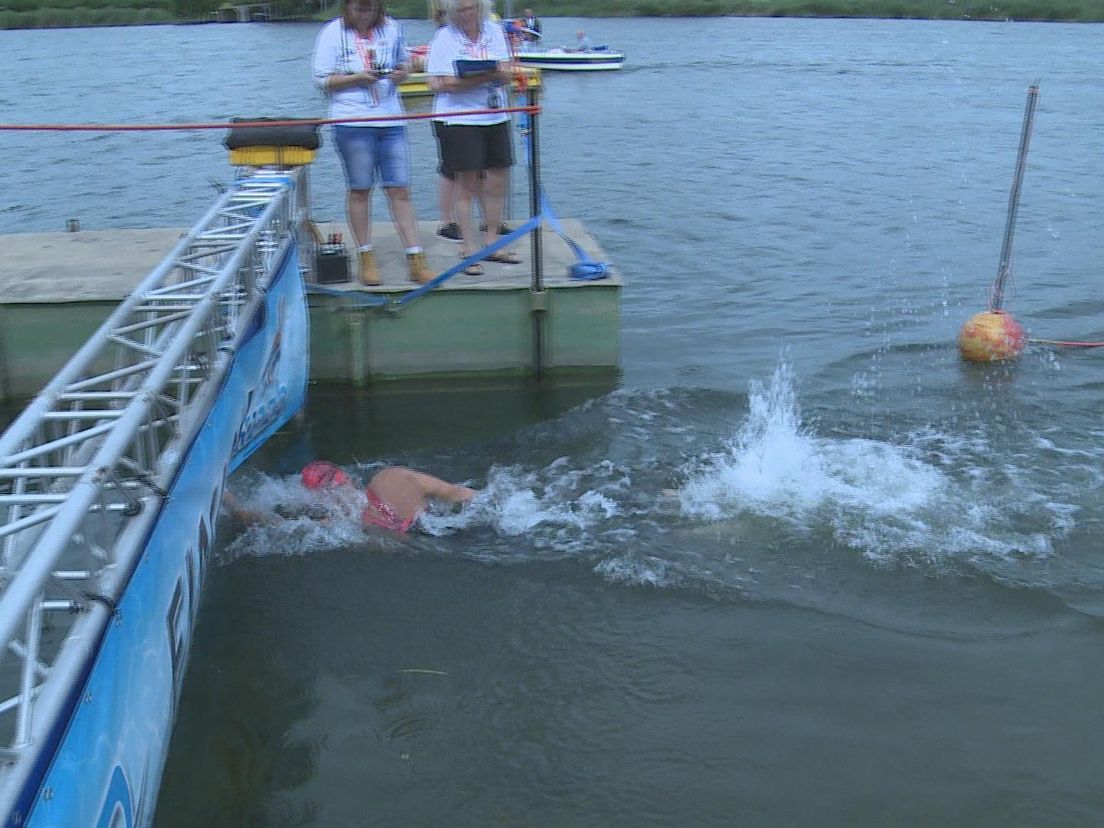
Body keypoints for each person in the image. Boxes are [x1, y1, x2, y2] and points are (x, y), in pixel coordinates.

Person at [312, 0, 434, 287]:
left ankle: (415, 257)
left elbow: (405, 63)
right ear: (348, 7)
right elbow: (320, 80)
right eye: (359, 6)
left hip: (391, 120)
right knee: (360, 190)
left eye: (370, 6)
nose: (364, 11)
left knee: (400, 189)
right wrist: (357, 78)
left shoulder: (392, 29)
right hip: (352, 121)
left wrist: (401, 73)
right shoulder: (332, 32)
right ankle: (365, 256)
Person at [426, 0, 521, 276]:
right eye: (461, 11)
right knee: (466, 185)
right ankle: (469, 248)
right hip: (459, 119)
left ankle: (492, 241)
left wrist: (475, 77)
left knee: (496, 184)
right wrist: (484, 76)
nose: (467, 15)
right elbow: (440, 83)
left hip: (495, 114)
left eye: (471, 9)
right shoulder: (444, 37)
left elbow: (505, 73)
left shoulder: (494, 31)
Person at [226, 460, 477, 534]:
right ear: (347, 478)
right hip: (462, 527)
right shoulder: (392, 478)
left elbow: (254, 517)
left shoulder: (337, 527)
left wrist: (227, 499)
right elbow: (456, 493)